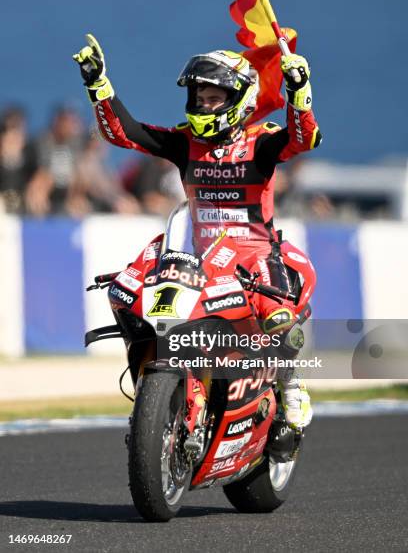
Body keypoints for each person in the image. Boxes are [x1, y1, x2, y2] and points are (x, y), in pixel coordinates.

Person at [73, 34, 322, 429]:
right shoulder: (185, 142)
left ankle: (290, 382)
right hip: (193, 246)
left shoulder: (262, 143)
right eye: (199, 99)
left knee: (277, 314)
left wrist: (299, 92)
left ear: (239, 100)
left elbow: (303, 138)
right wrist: (98, 85)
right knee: (125, 289)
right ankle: (149, 377)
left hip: (255, 250)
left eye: (213, 99)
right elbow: (125, 132)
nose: (203, 106)